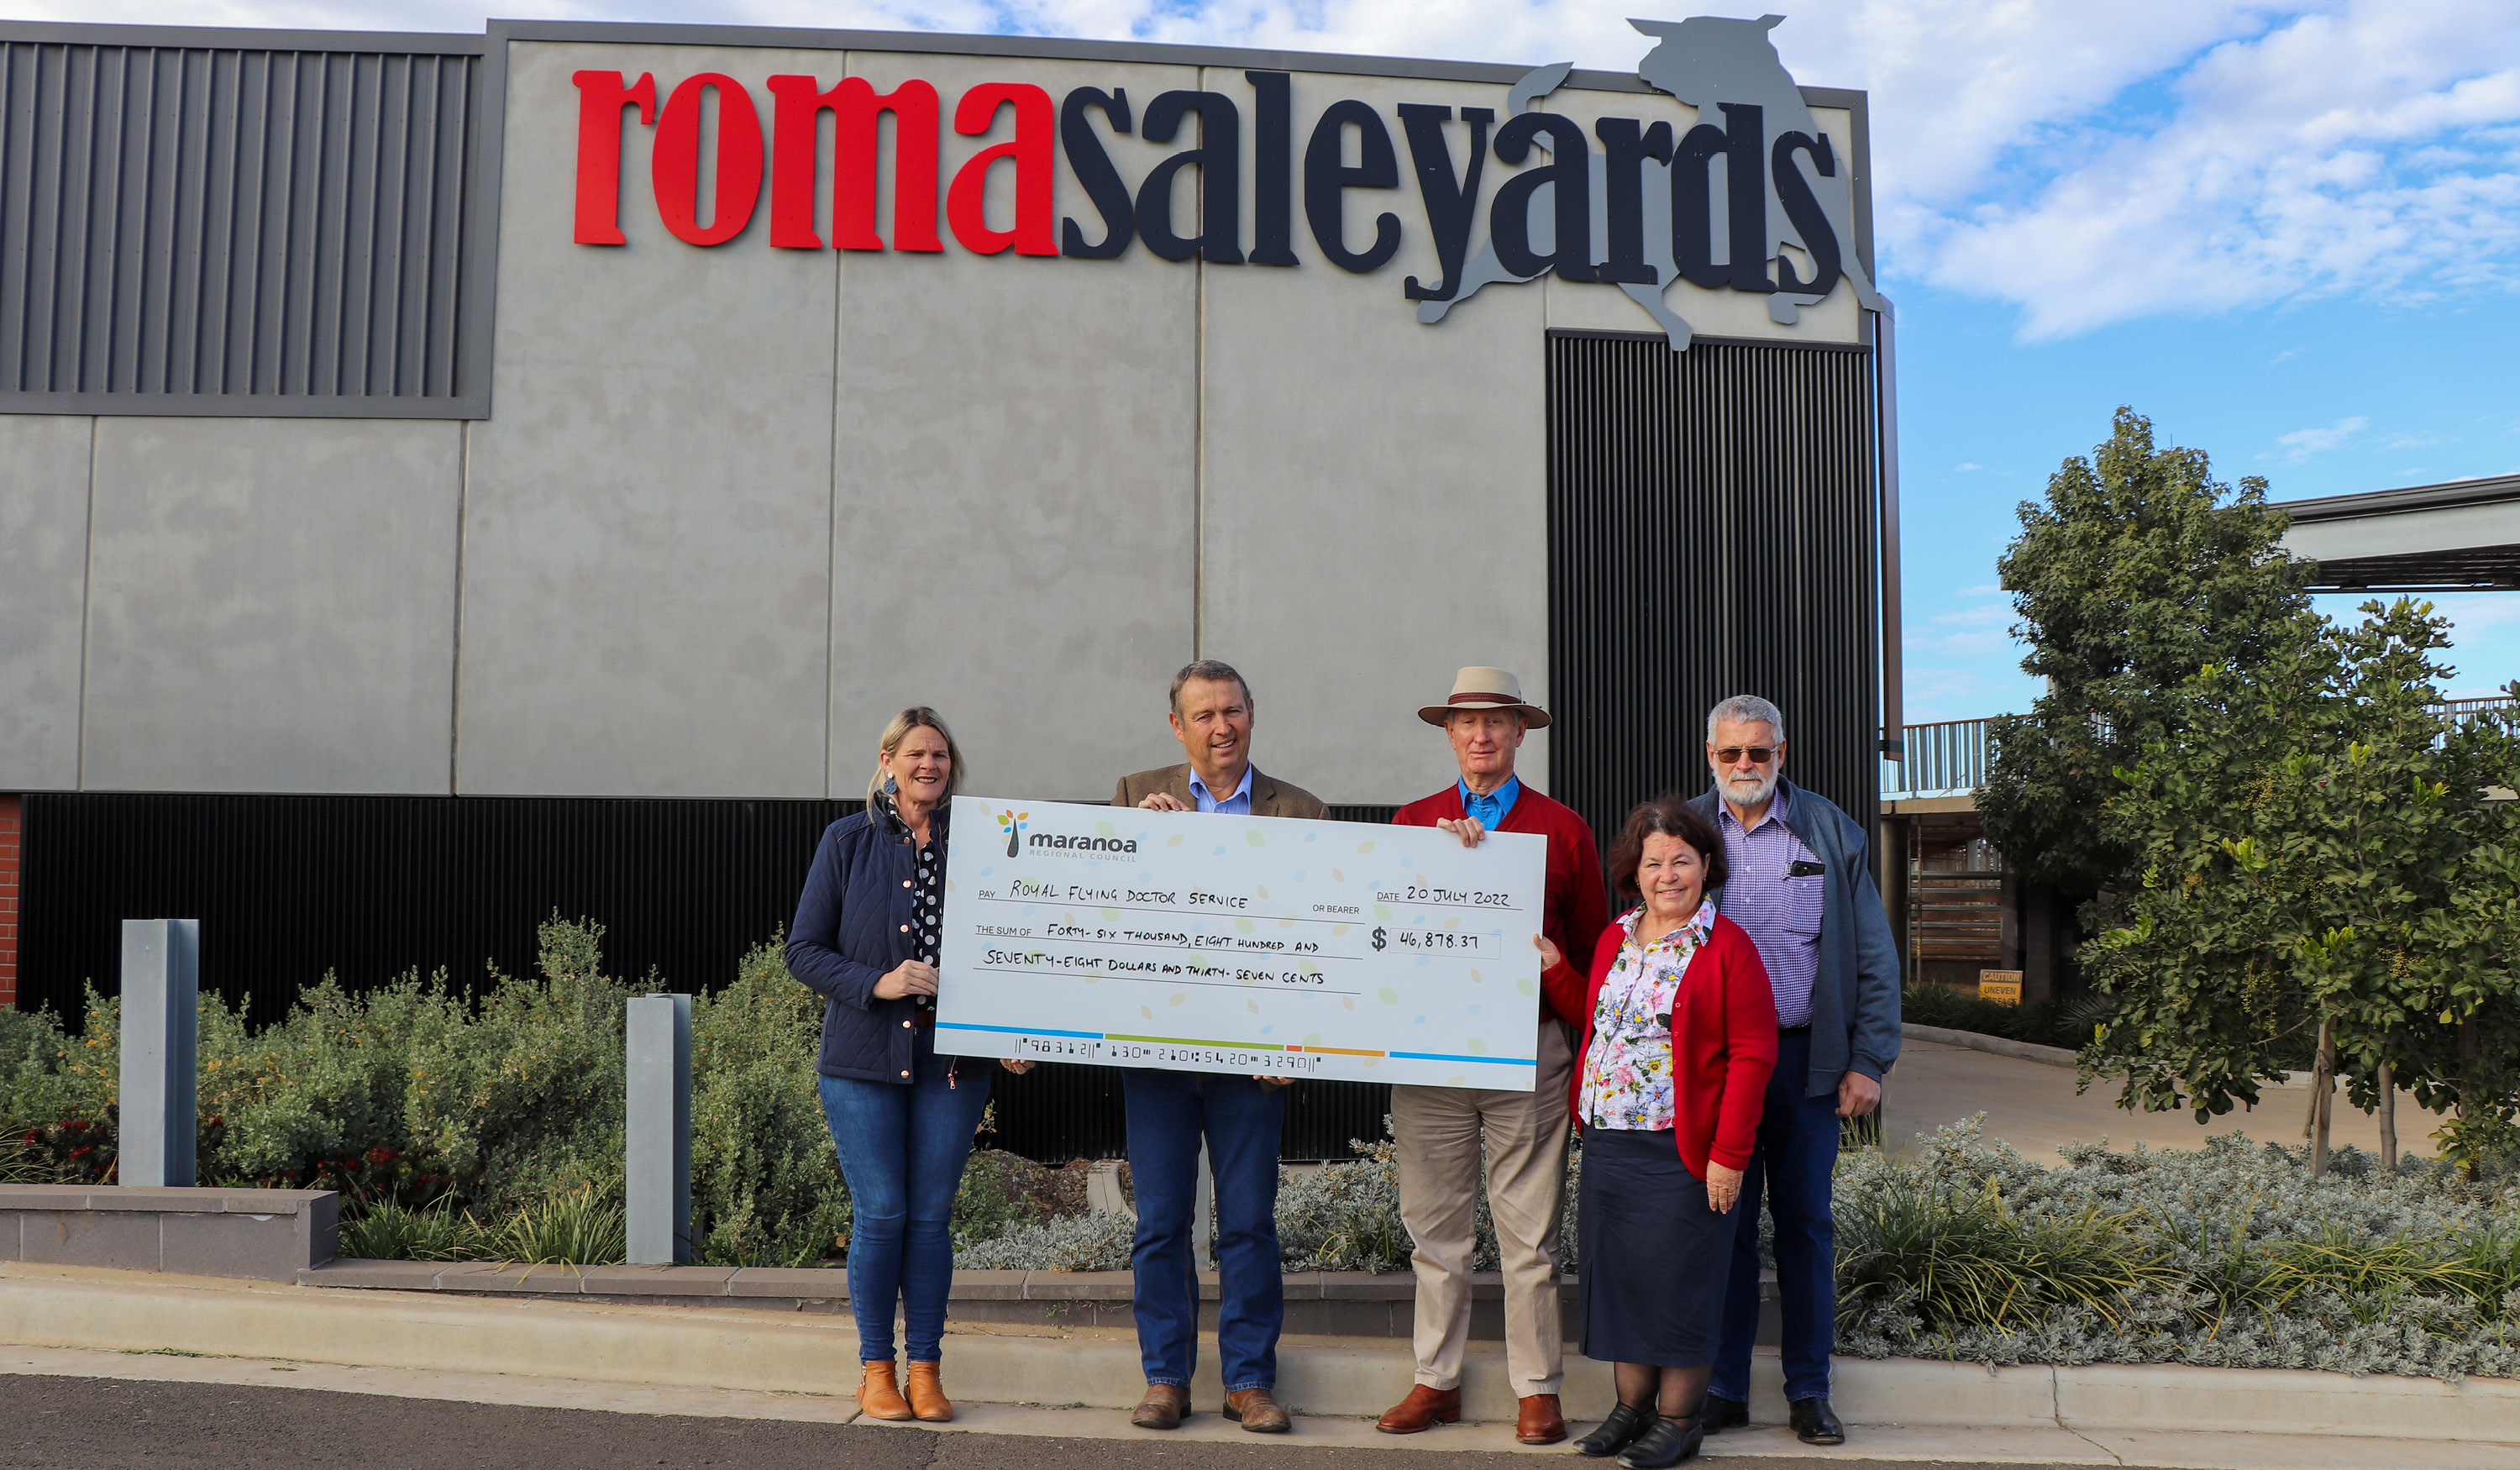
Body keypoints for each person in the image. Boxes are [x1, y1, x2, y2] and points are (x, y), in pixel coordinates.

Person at [1375, 668, 1607, 1446]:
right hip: (1432, 1055)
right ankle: (1434, 1381)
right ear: (1449, 735)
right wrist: (1446, 870)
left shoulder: (1563, 829)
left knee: (1529, 1236)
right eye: (1467, 722)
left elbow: (1588, 953)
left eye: (1497, 721)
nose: (1481, 735)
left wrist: (1564, 1027)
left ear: (1520, 734)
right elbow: (1379, 930)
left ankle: (1537, 1388)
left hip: (1527, 1049)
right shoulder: (1411, 824)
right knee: (1435, 1229)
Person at [785, 708, 1030, 1425]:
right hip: (862, 1063)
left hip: (953, 1065)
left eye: (942, 755)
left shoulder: (982, 845)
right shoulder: (847, 841)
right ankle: (876, 1371)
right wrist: (877, 983)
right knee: (883, 1214)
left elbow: (1017, 946)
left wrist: (1019, 1029)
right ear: (887, 759)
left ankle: (926, 1370)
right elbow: (803, 950)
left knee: (930, 1219)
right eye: (917, 753)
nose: (931, 766)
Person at [1112, 659, 1327, 1435]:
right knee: (1161, 1222)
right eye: (1203, 715)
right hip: (1159, 1056)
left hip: (1254, 1063)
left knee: (1247, 1222)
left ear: (1252, 713)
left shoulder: (1301, 811)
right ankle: (1167, 1377)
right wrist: (1142, 839)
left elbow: (1323, 941)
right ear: (1178, 726)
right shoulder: (1138, 797)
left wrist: (1297, 1045)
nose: (1221, 726)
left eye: (1232, 710)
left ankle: (1248, 1381)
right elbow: (1113, 917)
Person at [1688, 695, 1901, 1447]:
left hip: (1808, 1063)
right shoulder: (1683, 832)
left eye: (1760, 753)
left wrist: (1869, 1058)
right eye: (1730, 754)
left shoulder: (1828, 829)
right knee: (1727, 1228)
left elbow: (1872, 951)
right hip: (1717, 1072)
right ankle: (1724, 1386)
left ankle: (1810, 1389)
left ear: (1784, 754)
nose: (1745, 767)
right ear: (1709, 756)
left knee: (1807, 1226)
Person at [1541, 797, 1777, 1469]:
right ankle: (1630, 1410)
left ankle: (1680, 1420)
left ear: (1706, 864)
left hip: (1685, 1149)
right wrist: (1557, 969)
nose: (1667, 874)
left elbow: (1753, 1056)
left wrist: (1729, 1156)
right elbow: (1594, 1017)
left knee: (1680, 1284)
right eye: (1653, 862)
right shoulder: (1618, 936)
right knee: (1622, 1280)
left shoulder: (1726, 947)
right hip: (1612, 1142)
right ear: (1633, 871)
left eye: (1681, 859)